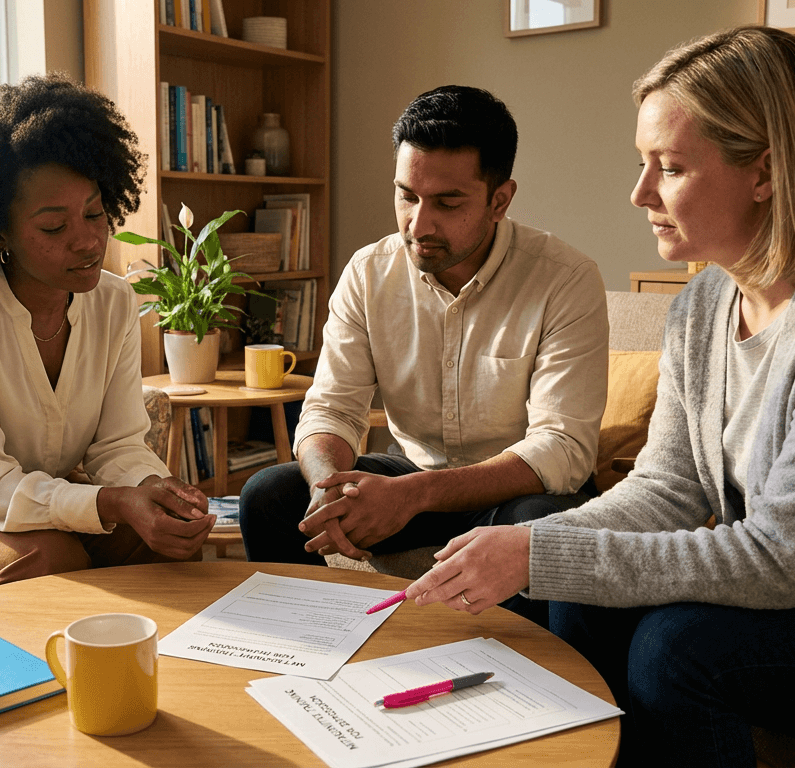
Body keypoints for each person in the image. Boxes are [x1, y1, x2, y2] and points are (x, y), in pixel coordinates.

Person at [404, 27, 795, 767]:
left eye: (670, 167)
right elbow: (666, 488)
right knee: (574, 577)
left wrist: (539, 556)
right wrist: (536, 547)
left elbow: (781, 558)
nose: (640, 193)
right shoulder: (707, 299)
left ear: (766, 172)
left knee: (677, 649)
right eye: (642, 163)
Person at [239, 86, 610, 591]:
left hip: (516, 492)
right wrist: (329, 486)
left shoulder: (565, 279)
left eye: (447, 202)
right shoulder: (369, 272)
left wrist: (415, 494)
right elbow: (332, 409)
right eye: (406, 196)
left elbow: (562, 450)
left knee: (541, 522)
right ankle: (321, 646)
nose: (419, 223)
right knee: (268, 494)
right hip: (414, 475)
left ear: (499, 200)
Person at [0, 73, 214, 600]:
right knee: (50, 561)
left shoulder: (114, 300)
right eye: (54, 227)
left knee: (162, 541)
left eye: (95, 213)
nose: (89, 240)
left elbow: (116, 443)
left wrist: (149, 490)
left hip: (33, 489)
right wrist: (110, 504)